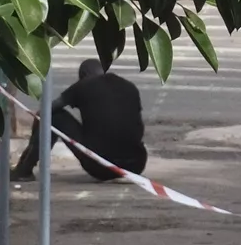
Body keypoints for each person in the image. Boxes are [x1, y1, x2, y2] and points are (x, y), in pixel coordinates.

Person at [21, 54, 147, 182]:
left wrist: (32, 141)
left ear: (83, 75)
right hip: (136, 165)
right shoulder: (129, 87)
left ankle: (24, 169)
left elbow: (45, 112)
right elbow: (139, 128)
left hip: (99, 167)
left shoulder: (83, 85)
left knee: (54, 116)